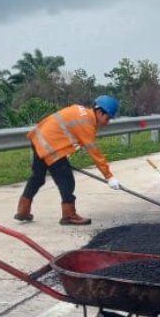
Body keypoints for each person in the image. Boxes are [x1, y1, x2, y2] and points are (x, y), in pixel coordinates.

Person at [15, 95, 122, 226]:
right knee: (67, 180)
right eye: (108, 117)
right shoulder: (87, 123)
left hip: (39, 138)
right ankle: (69, 215)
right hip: (51, 146)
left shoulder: (82, 113)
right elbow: (94, 153)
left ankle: (23, 210)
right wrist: (109, 177)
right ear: (99, 112)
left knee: (37, 177)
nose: (108, 121)